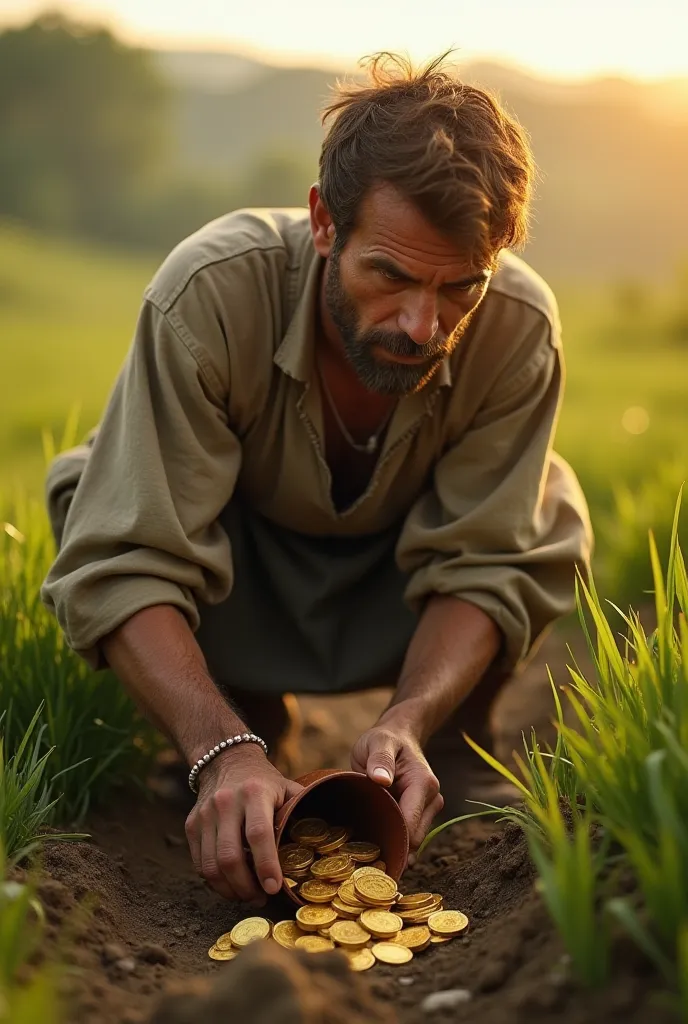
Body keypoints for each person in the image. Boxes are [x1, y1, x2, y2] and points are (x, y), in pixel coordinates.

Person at [41, 53, 592, 907]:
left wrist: (405, 715)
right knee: (95, 494)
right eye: (392, 276)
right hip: (244, 570)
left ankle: (445, 740)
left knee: (549, 510)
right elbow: (128, 552)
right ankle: (240, 727)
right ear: (324, 223)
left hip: (395, 579)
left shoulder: (520, 328)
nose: (423, 324)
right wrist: (219, 748)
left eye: (461, 288)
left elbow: (487, 555)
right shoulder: (210, 292)